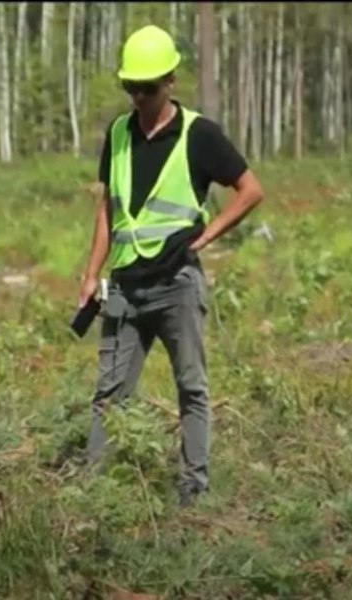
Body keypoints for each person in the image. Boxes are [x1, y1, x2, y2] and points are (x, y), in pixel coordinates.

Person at [78, 25, 265, 508]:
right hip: (124, 285)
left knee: (192, 388)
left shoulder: (199, 135)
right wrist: (90, 272)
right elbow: (108, 209)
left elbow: (251, 190)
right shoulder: (118, 133)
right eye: (131, 88)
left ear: (171, 82)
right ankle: (93, 493)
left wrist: (207, 234)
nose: (138, 97)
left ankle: (193, 490)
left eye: (148, 88)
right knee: (108, 394)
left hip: (177, 284)